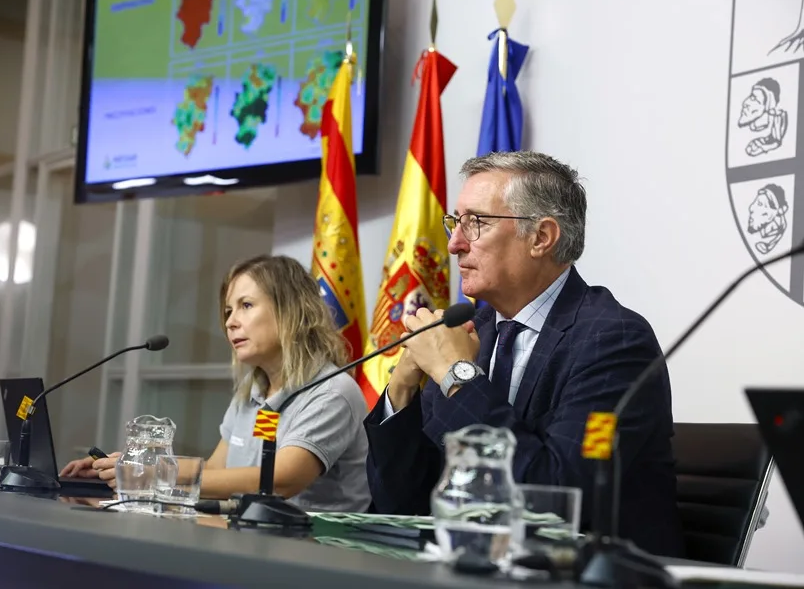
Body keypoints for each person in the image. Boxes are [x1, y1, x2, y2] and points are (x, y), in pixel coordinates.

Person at [363, 151, 685, 557]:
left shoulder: (615, 341)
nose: (454, 243)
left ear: (541, 237)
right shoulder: (472, 332)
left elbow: (555, 496)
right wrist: (402, 388)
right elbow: (401, 504)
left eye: (476, 222)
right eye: (455, 222)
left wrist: (456, 373)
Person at [62, 255, 372, 513]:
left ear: (291, 309)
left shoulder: (332, 392)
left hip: (317, 551)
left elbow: (280, 480)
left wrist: (155, 474)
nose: (230, 322)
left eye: (246, 305)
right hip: (250, 538)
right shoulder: (254, 390)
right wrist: (131, 465)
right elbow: (214, 473)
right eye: (228, 311)